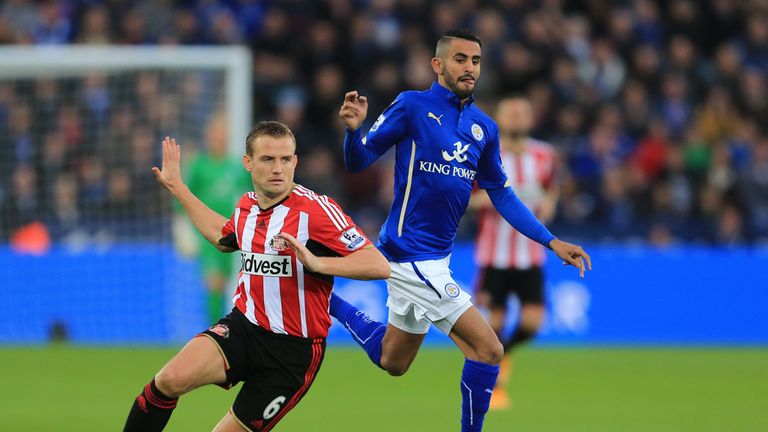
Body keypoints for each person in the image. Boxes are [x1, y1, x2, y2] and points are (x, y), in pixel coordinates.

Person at [331, 29, 591, 432]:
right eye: (461, 59)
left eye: (476, 61)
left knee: (393, 361)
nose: (470, 68)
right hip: (410, 256)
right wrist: (352, 131)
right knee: (489, 350)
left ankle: (326, 298)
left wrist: (551, 240)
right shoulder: (412, 106)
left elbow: (502, 196)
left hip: (436, 258)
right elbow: (359, 160)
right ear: (438, 65)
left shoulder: (483, 128)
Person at [123, 121, 390, 432]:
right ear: (248, 163)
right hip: (244, 329)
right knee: (168, 380)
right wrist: (178, 188)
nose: (278, 168)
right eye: (267, 159)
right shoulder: (246, 206)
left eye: (285, 159)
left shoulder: (317, 211)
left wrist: (318, 264)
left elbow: (377, 264)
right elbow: (224, 238)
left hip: (292, 356)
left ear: (295, 162)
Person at [469, 96, 560, 410]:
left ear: (531, 118)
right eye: (512, 113)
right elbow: (467, 199)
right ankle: (491, 386)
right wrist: (500, 200)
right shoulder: (483, 154)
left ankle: (502, 358)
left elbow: (551, 189)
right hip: (494, 255)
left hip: (530, 255)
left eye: (523, 112)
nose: (518, 118)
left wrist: (549, 203)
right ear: (500, 119)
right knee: (492, 325)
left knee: (533, 323)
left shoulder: (545, 155)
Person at [185, 113, 252, 324]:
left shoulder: (236, 167)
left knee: (225, 283)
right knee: (213, 282)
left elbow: (252, 194)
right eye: (214, 133)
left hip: (233, 232)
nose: (217, 137)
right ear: (207, 136)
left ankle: (222, 329)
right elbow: (184, 197)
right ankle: (213, 330)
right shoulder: (198, 166)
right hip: (207, 233)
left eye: (221, 133)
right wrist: (182, 227)